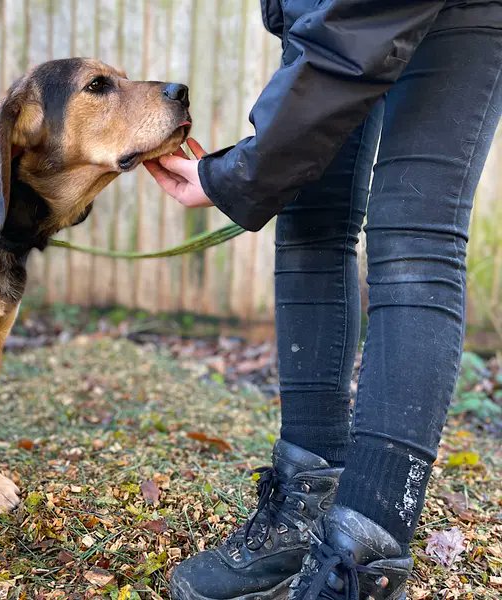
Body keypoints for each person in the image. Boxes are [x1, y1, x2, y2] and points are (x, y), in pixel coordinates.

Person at [144, 1, 502, 599]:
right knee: (310, 217)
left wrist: (242, 173)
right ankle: (304, 504)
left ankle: (363, 557)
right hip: (331, 16)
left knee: (415, 237)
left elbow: (361, 24)